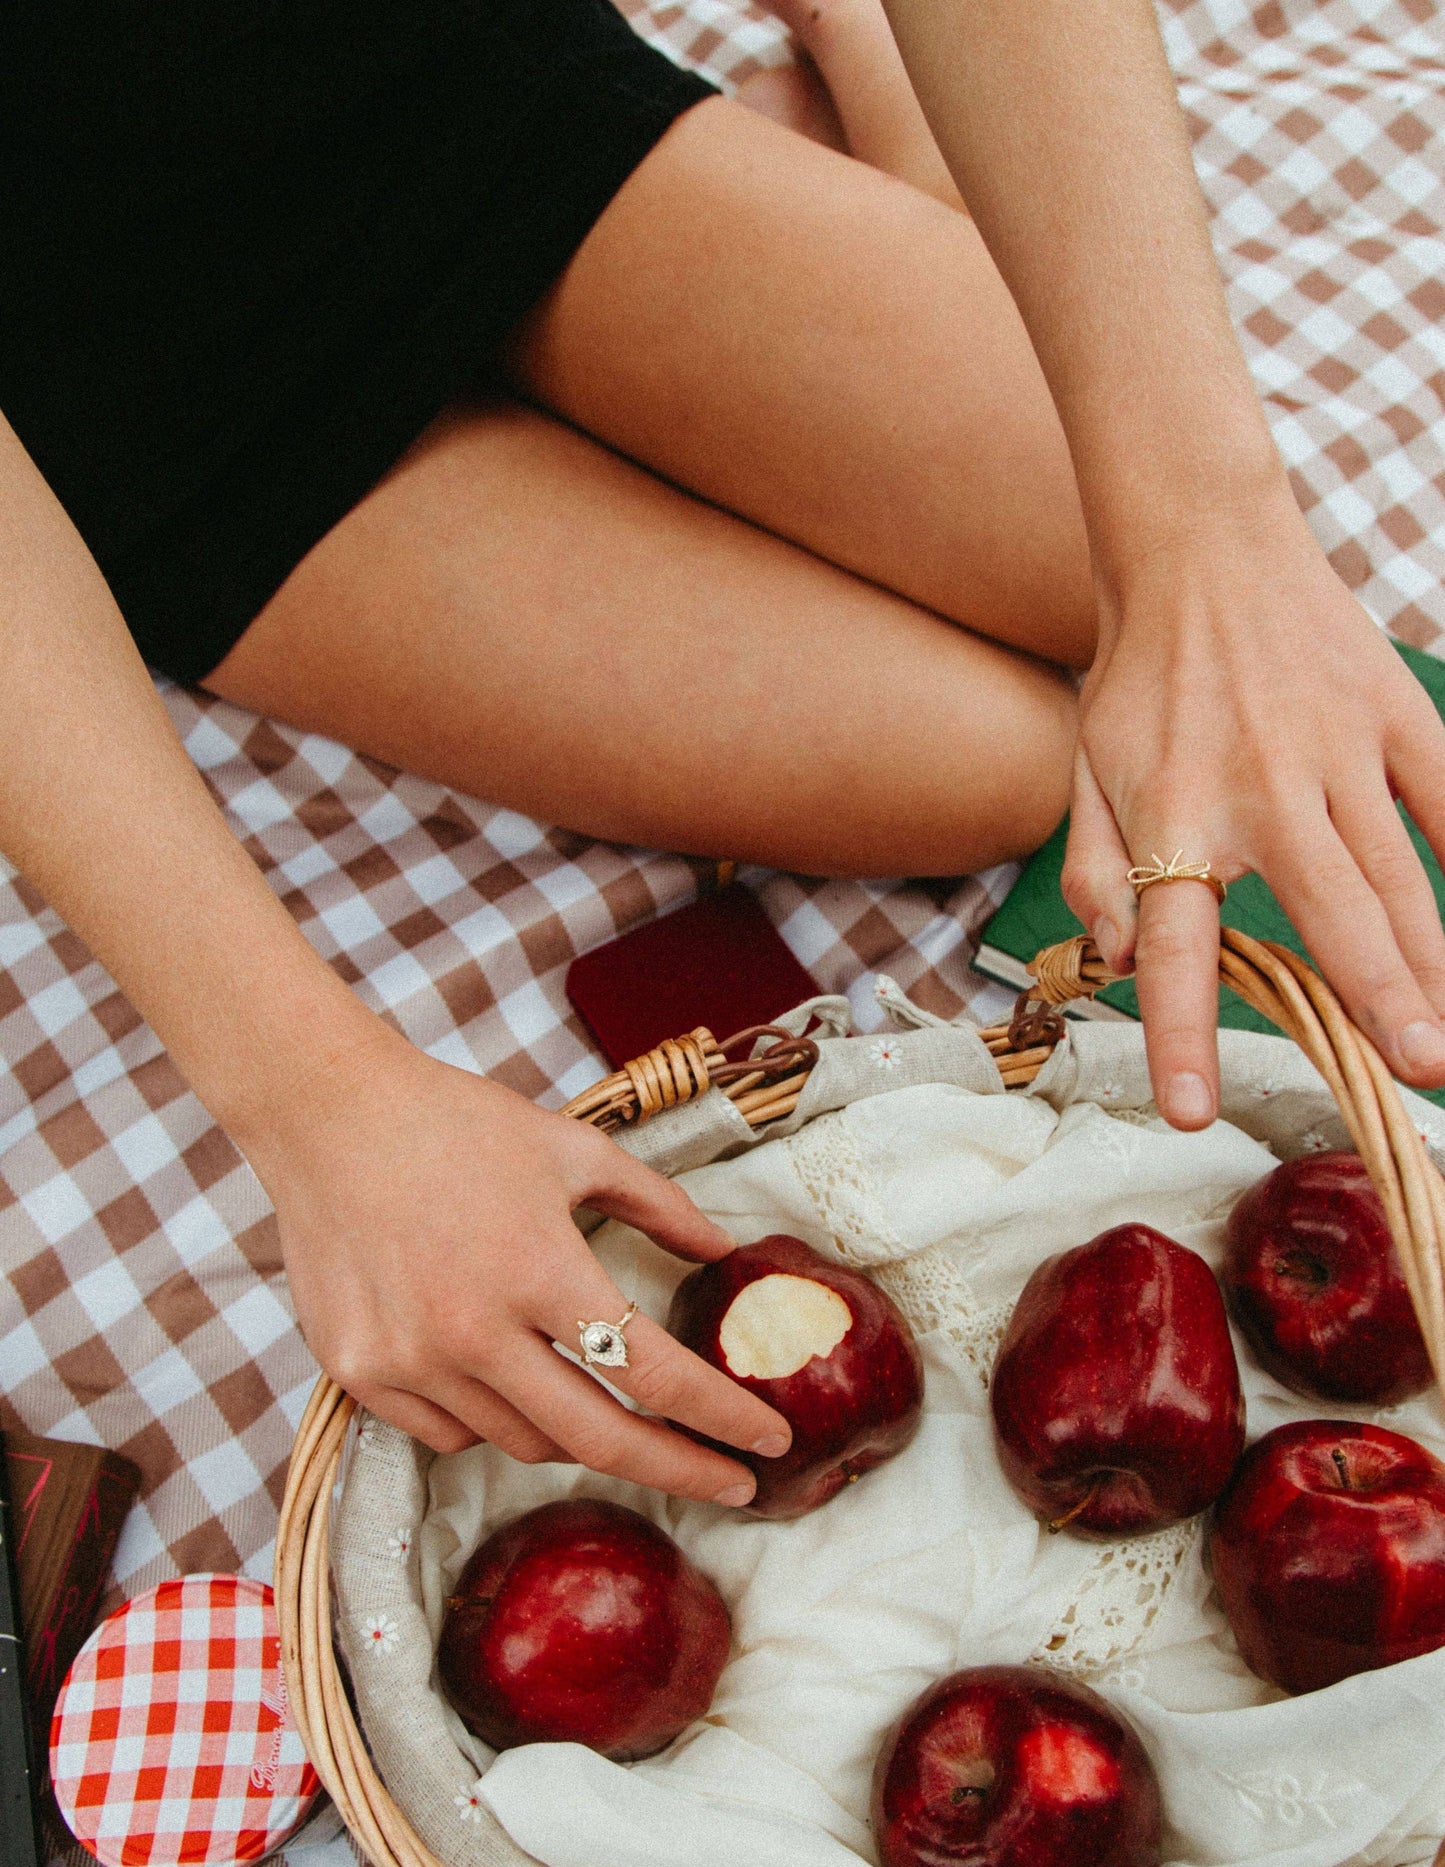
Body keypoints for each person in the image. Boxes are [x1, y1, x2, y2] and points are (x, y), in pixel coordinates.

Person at [3, 0, 1443, 1508]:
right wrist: (313, 1100)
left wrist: (1204, 528)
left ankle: (869, 64)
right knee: (998, 763)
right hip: (141, 391)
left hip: (442, 83)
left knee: (1104, 571)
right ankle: (865, 142)